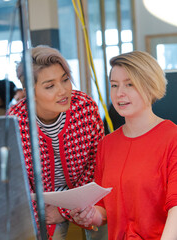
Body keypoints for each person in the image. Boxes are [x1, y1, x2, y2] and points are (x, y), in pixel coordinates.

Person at [70, 51, 177, 239]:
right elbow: (103, 209)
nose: (119, 93)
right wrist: (90, 215)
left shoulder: (176, 139)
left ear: (150, 87)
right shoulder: (106, 145)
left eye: (129, 84)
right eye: (114, 85)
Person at [7, 45, 105, 239]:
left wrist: (65, 211)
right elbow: (19, 187)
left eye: (65, 80)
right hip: (43, 207)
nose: (63, 91)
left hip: (87, 197)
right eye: (50, 86)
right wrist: (45, 214)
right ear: (29, 92)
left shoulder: (84, 108)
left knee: (105, 225)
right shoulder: (16, 122)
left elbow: (98, 164)